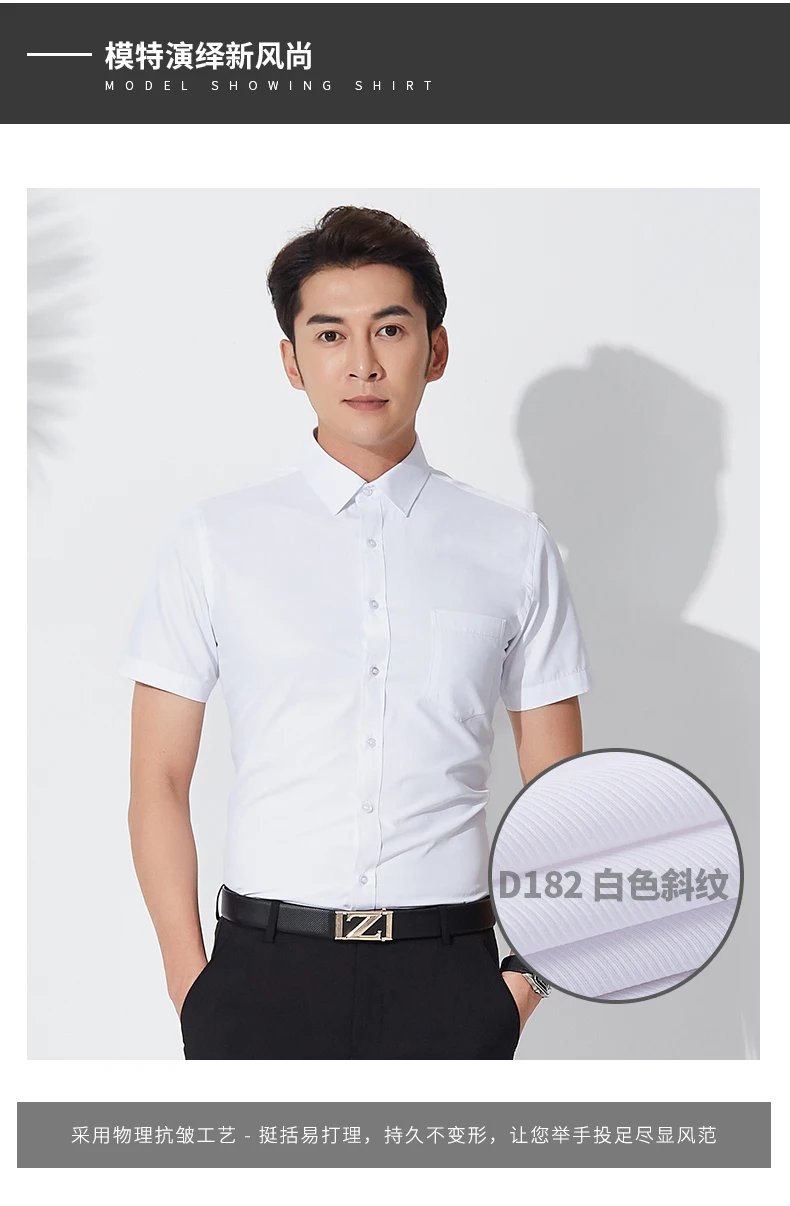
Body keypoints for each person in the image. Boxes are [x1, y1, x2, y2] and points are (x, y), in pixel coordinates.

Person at [119, 204, 591, 1059]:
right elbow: (157, 778)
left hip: (450, 978)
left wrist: (521, 982)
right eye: (330, 335)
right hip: (258, 977)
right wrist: (191, 985)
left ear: (435, 351)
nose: (363, 363)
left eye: (391, 329)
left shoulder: (515, 549)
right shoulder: (215, 541)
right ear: (291, 361)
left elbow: (558, 791)